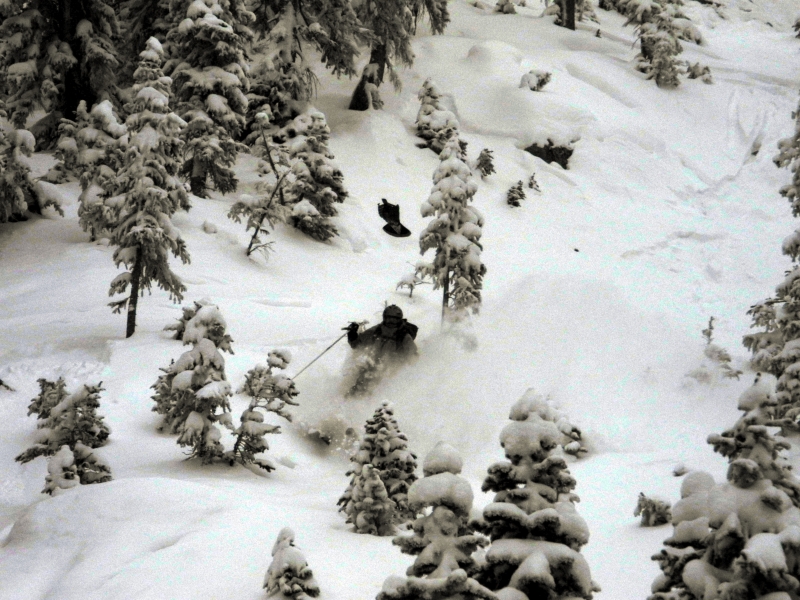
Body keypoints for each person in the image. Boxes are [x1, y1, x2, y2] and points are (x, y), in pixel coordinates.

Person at [344, 305, 418, 395]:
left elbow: (414, 358)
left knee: (379, 393)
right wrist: (352, 334)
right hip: (372, 367)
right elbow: (357, 344)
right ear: (384, 318)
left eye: (394, 319)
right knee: (358, 388)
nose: (391, 322)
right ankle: (350, 402)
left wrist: (407, 374)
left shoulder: (403, 336)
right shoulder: (376, 330)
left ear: (399, 320)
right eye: (388, 319)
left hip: (391, 373)